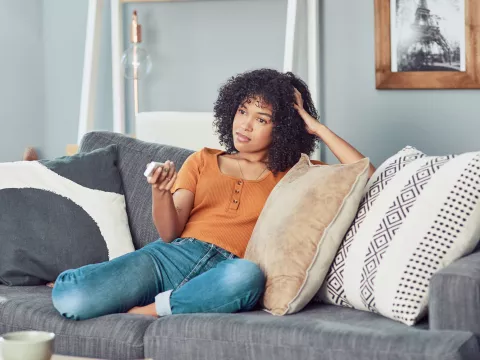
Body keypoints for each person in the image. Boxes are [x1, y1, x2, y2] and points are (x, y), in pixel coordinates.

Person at [51, 69, 376, 320]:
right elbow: (169, 232)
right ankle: (160, 299)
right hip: (170, 258)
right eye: (242, 111)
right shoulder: (203, 160)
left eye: (261, 119)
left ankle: (151, 311)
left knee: (248, 277)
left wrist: (315, 127)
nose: (245, 125)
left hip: (227, 270)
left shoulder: (295, 173)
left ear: (283, 129)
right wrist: (160, 193)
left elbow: (366, 172)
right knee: (72, 297)